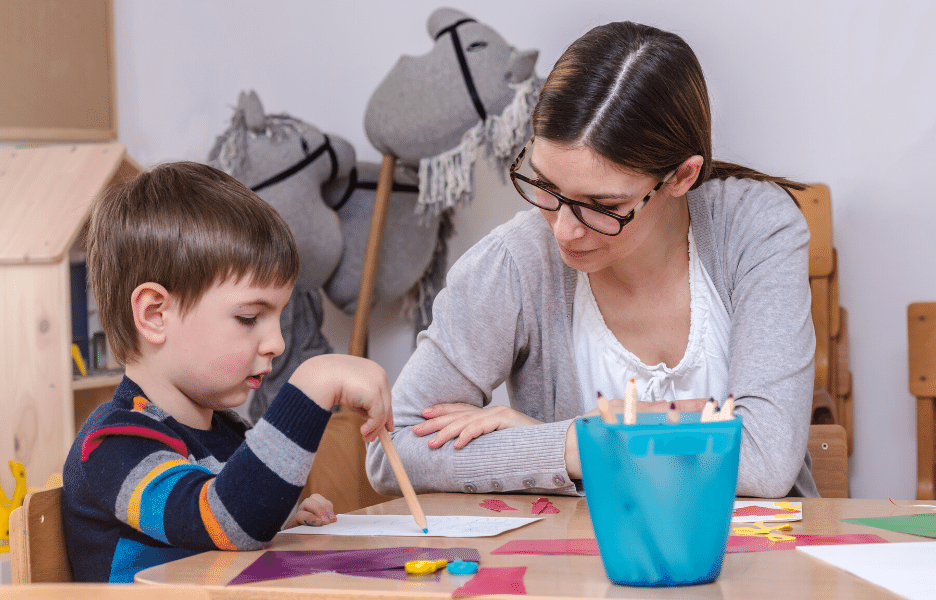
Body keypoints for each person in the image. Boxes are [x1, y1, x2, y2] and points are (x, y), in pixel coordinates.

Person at [366, 21, 818, 499]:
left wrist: (589, 437)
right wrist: (571, 446)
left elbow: (765, 458)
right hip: (578, 567)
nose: (564, 229)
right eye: (545, 187)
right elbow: (393, 450)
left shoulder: (754, 225)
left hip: (761, 564)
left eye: (602, 206)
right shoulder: (516, 261)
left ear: (681, 176)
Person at [62, 161, 393, 582]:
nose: (277, 342)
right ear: (155, 314)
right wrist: (312, 384)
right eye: (249, 317)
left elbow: (227, 530)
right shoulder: (113, 444)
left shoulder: (229, 434)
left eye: (278, 316)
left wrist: (279, 518)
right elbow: (222, 518)